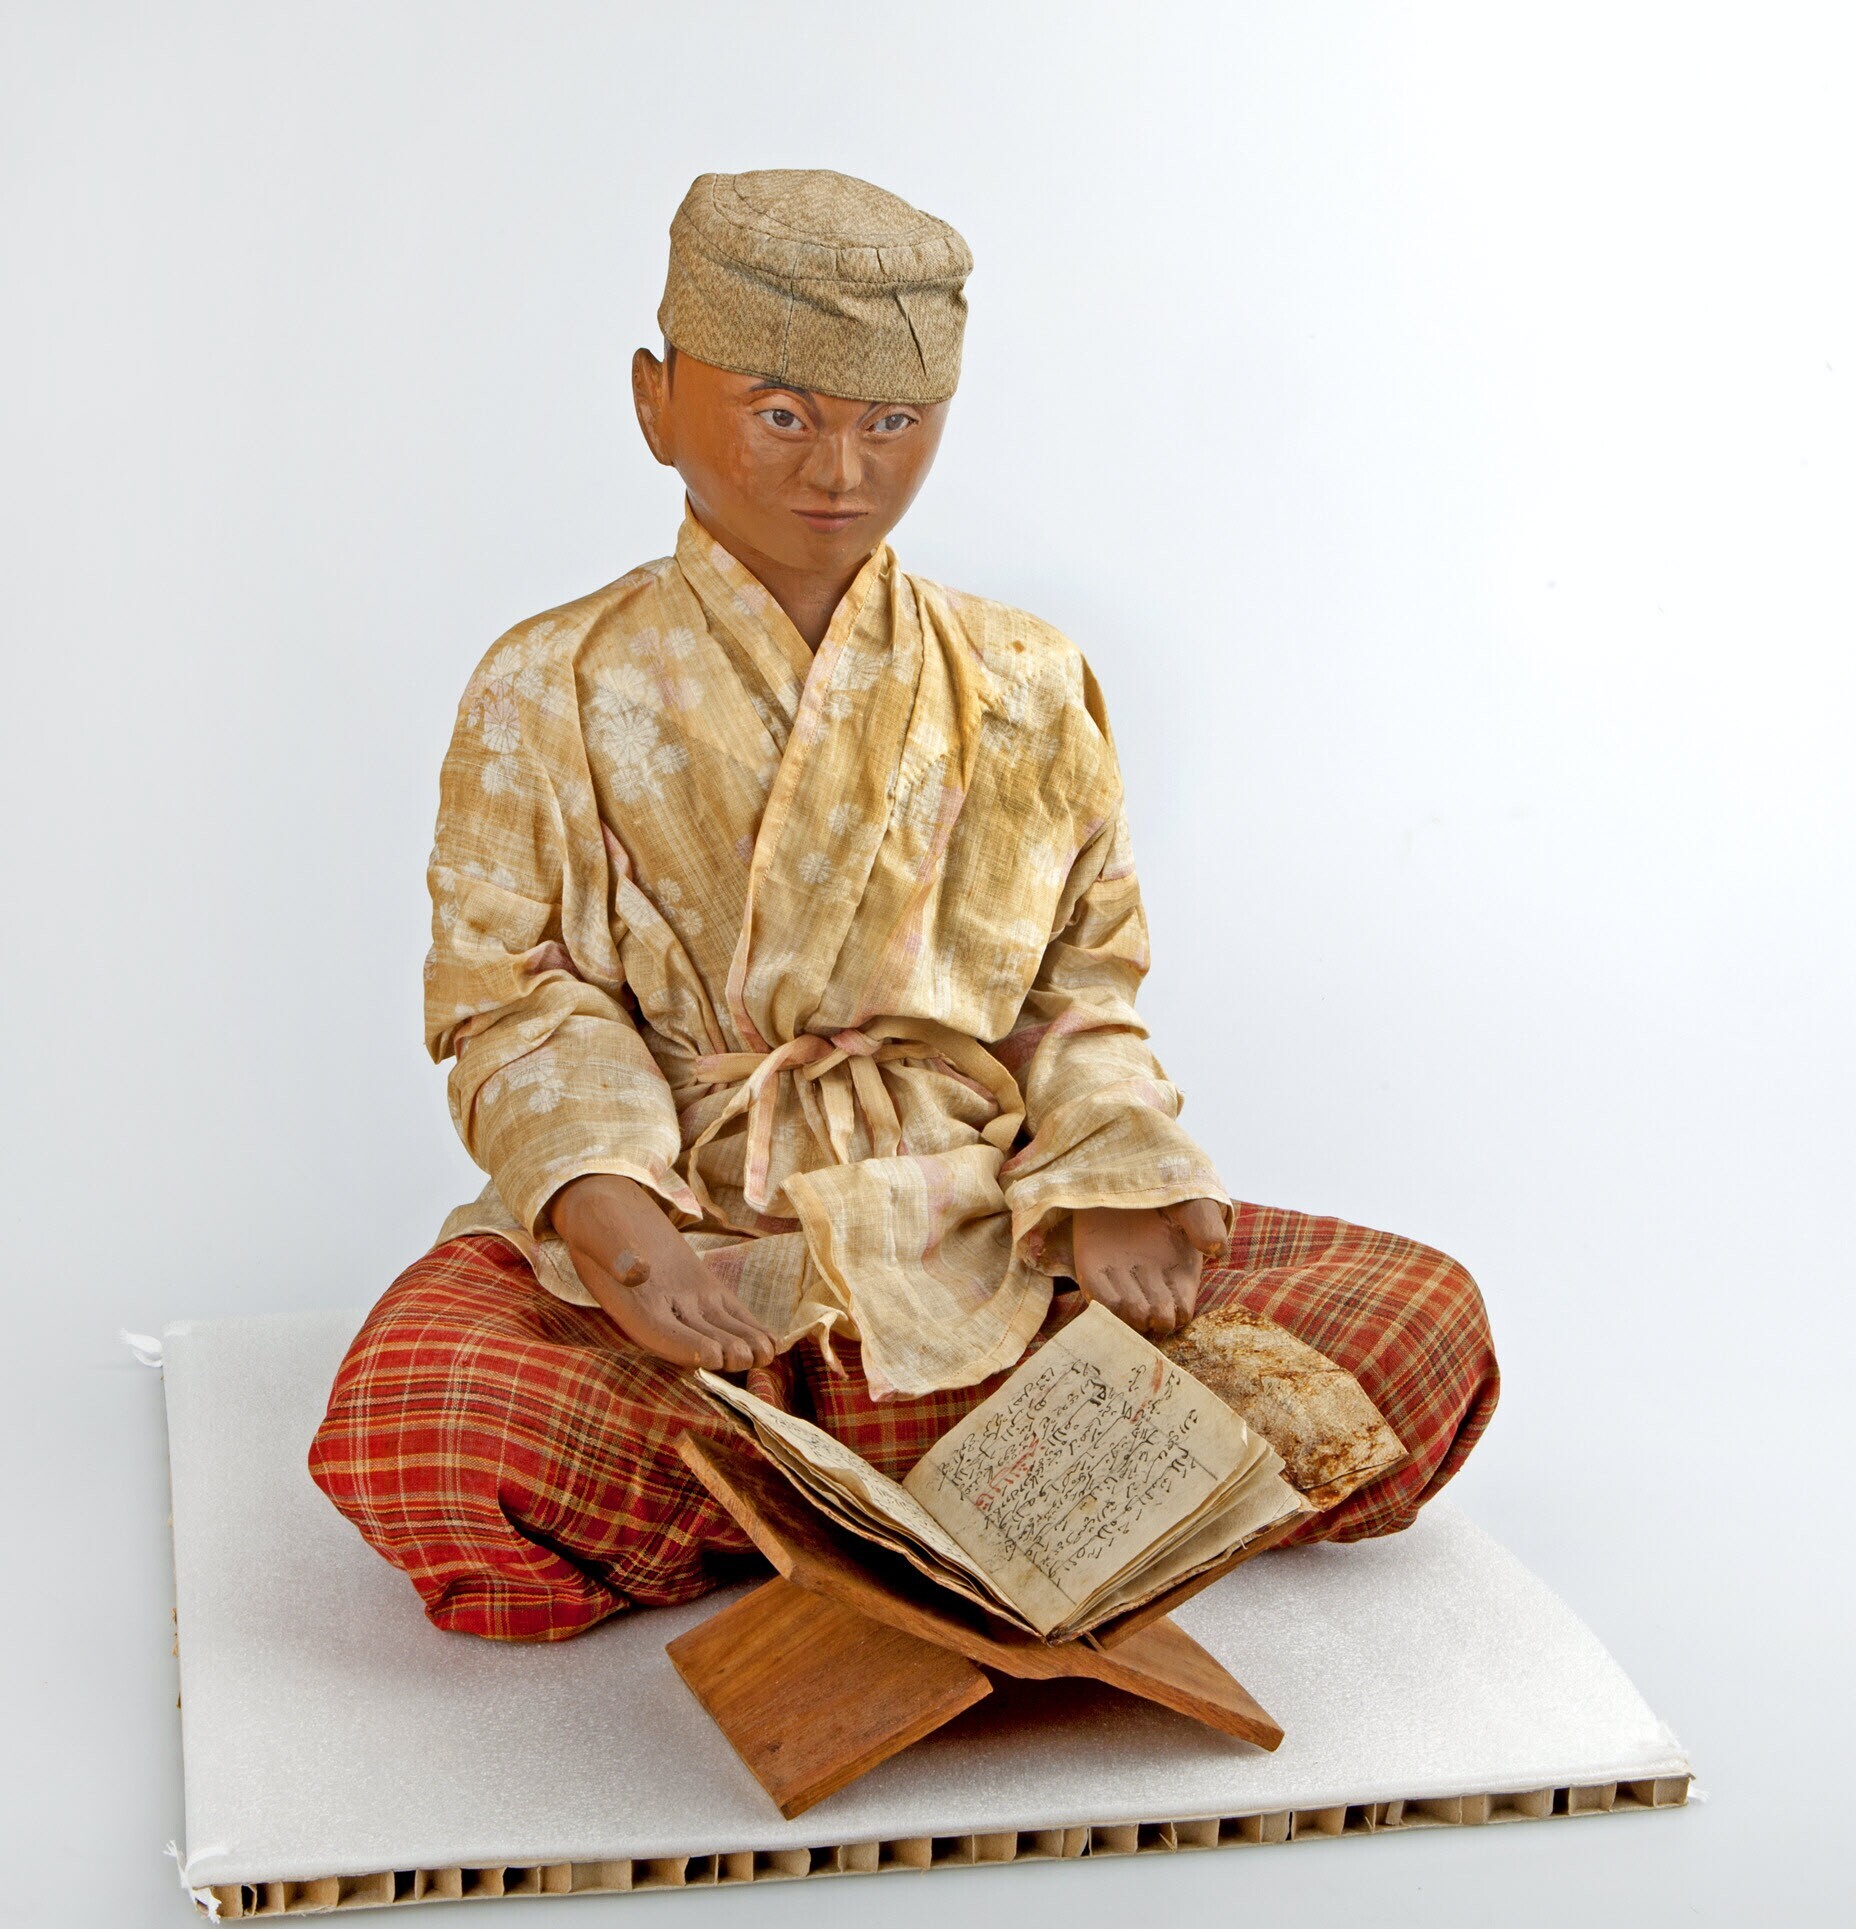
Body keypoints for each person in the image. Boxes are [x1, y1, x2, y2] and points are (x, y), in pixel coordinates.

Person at [308, 169, 1499, 1643]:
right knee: (428, 1415)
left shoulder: (1024, 677)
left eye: (893, 421)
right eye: (783, 413)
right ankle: (1024, 1497)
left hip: (976, 1224)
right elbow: (518, 999)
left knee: (1418, 1318)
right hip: (701, 1240)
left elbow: (1077, 987)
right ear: (655, 404)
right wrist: (622, 1235)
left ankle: (799, 1505)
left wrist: (1110, 1177)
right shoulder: (548, 679)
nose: (842, 470)